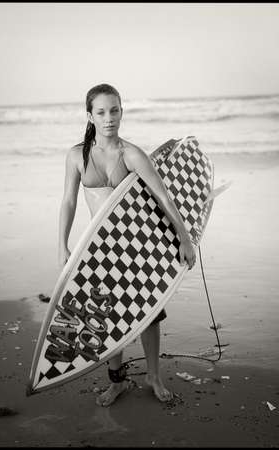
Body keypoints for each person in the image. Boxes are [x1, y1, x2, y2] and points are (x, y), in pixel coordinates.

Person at [58, 83, 196, 407]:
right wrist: (62, 245)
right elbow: (67, 201)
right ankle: (117, 382)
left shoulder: (132, 154)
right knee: (108, 313)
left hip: (136, 244)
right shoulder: (77, 155)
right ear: (90, 115)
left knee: (149, 313)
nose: (109, 118)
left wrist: (185, 238)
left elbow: (163, 197)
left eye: (115, 110)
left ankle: (153, 376)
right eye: (102, 112)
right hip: (99, 248)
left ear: (122, 111)